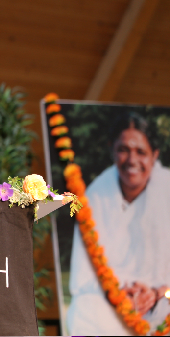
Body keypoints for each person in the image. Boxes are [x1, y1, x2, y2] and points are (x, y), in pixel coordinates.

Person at [68, 112, 170, 335]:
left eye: (141, 152)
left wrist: (158, 293)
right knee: (82, 309)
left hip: (163, 301)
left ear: (155, 155)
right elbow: (83, 278)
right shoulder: (95, 195)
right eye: (124, 150)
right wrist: (119, 294)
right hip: (112, 300)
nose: (132, 160)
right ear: (112, 150)